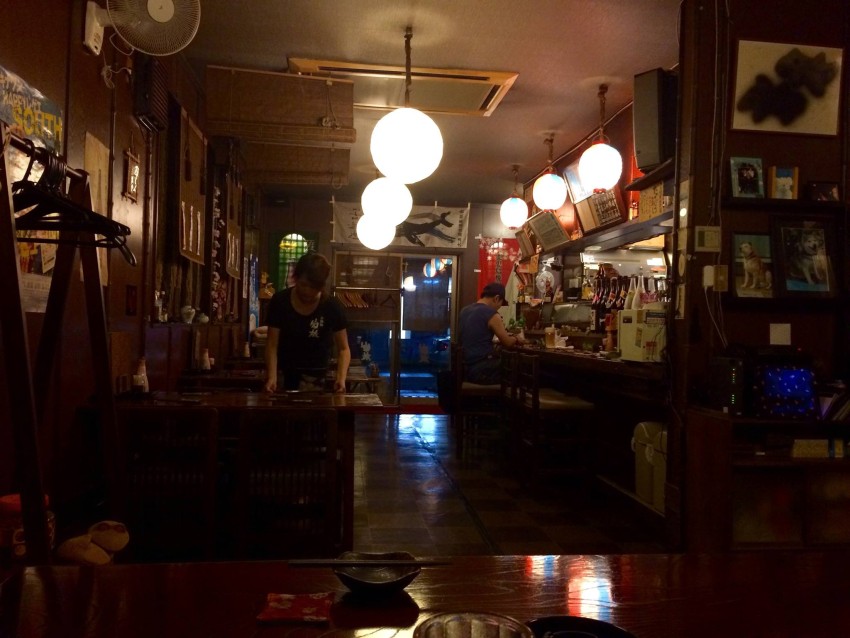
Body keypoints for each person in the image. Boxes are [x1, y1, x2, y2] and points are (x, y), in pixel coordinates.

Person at [264, 252, 351, 393]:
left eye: (313, 287)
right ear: (296, 278)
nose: (307, 291)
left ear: (321, 286)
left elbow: (344, 349)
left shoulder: (331, 306)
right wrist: (271, 377)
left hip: (317, 378)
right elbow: (272, 344)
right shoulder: (280, 301)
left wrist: (341, 379)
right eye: (303, 284)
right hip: (283, 375)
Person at [457, 282, 524, 385]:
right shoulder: (491, 313)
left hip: (464, 370)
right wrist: (516, 338)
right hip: (484, 370)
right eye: (500, 304)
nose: (499, 307)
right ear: (496, 298)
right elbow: (508, 342)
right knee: (522, 367)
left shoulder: (464, 311)